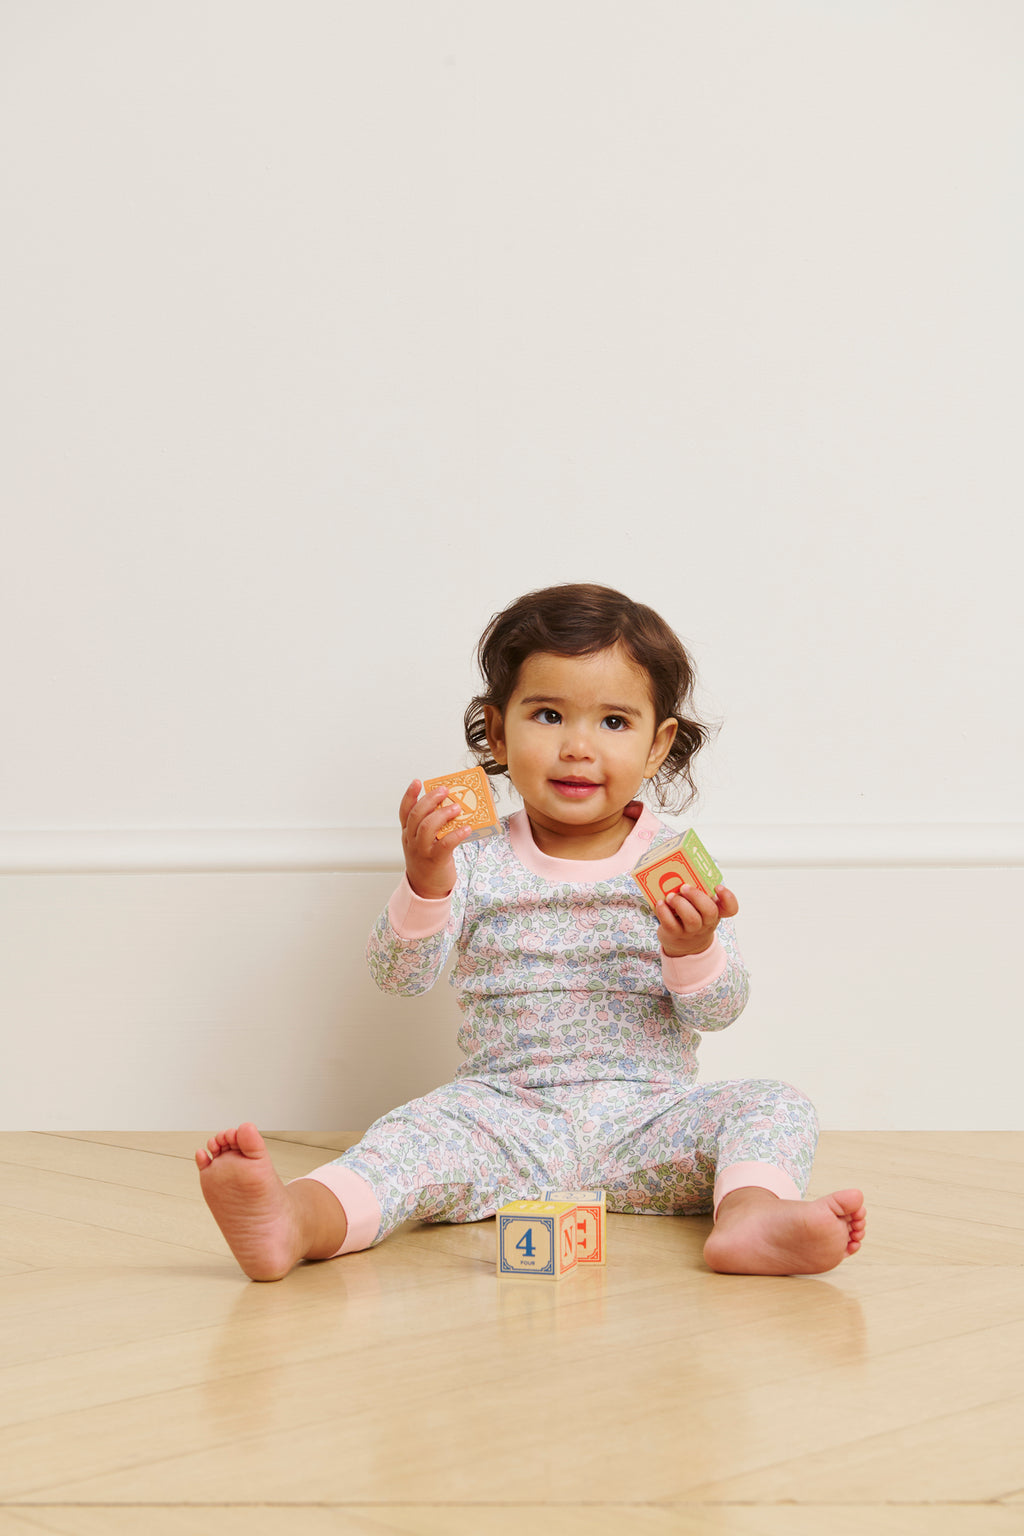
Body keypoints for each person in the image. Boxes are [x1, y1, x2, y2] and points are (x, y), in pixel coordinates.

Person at [197, 583, 866, 1281]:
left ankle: (752, 1217)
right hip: (501, 1118)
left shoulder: (672, 861)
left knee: (775, 1104)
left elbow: (720, 1011)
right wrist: (426, 880)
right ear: (496, 732)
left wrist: (694, 950)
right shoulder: (474, 856)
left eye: (614, 722)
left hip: (648, 1125)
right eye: (548, 714)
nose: (578, 747)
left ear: (657, 744)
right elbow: (399, 977)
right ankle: (295, 1219)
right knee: (408, 1137)